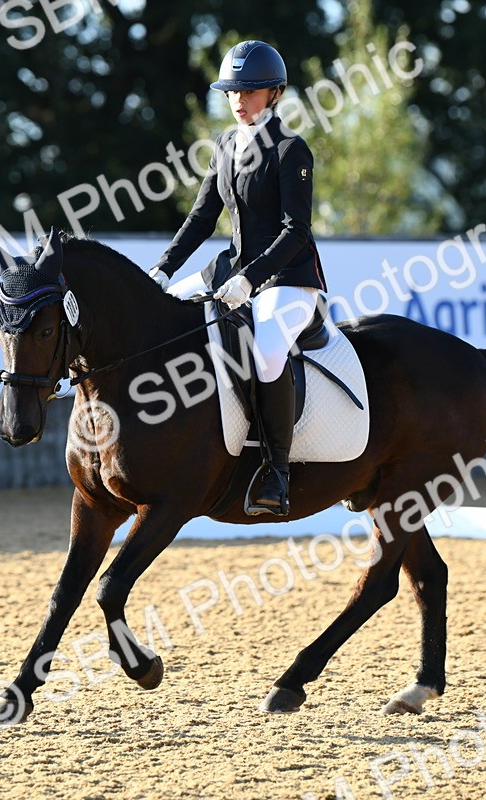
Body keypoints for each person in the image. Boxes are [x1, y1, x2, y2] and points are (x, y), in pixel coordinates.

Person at [148, 39, 326, 517]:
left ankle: (277, 471)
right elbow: (203, 217)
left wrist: (251, 280)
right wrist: (163, 269)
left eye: (249, 93)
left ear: (274, 94)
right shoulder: (226, 145)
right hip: (231, 270)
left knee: (267, 353)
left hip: (288, 278)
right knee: (163, 315)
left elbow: (296, 231)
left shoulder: (292, 150)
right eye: (232, 93)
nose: (239, 102)